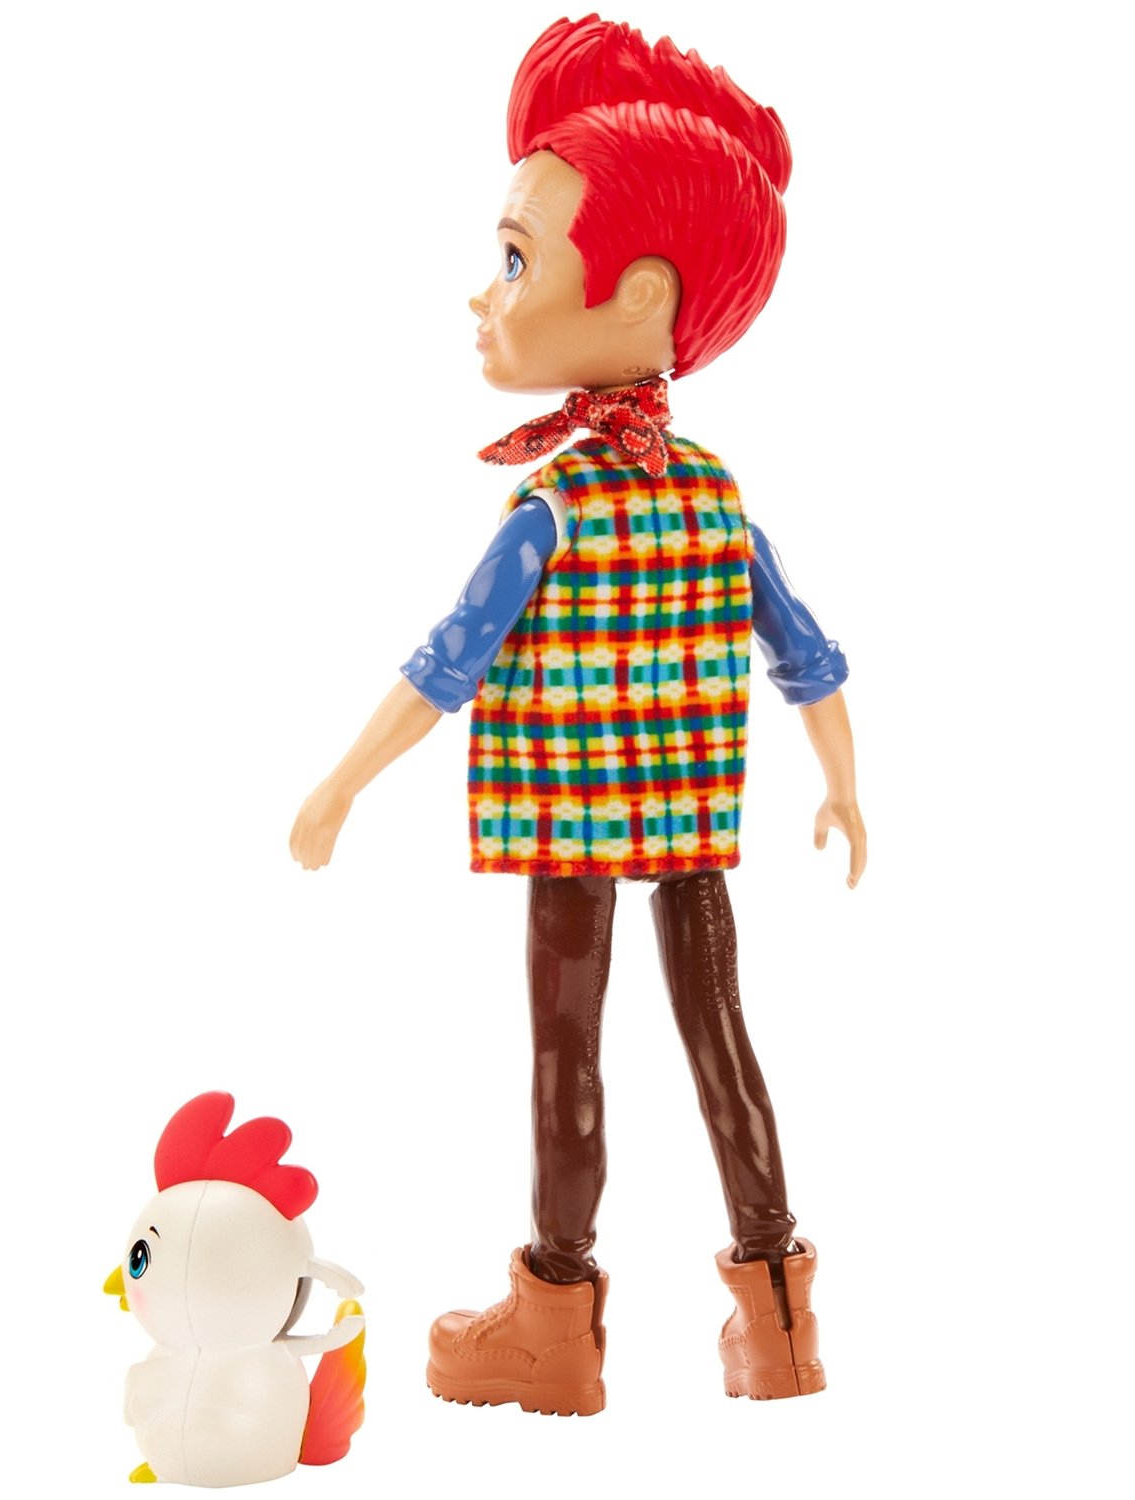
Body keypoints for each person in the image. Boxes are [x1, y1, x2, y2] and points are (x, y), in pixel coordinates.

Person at [290, 15, 865, 1411]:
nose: (481, 295)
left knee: (568, 1053)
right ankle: (778, 1315)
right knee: (722, 1038)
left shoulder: (555, 506)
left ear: (639, 294)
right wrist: (843, 784)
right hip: (690, 825)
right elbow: (805, 654)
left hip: (567, 822)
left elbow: (450, 660)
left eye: (514, 259)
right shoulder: (713, 494)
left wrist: (341, 783)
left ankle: (553, 1321)